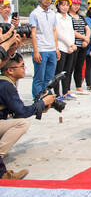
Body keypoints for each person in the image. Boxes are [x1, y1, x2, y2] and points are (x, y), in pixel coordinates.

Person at [0, 52, 55, 180]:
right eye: (22, 66)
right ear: (10, 71)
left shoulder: (6, 82)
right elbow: (21, 112)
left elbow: (17, 110)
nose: (25, 68)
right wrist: (41, 103)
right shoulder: (6, 86)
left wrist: (40, 107)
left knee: (16, 120)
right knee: (22, 123)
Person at [29, 0, 60, 98]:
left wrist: (57, 48)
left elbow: (54, 31)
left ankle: (46, 98)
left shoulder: (52, 14)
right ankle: (37, 98)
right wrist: (36, 51)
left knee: (49, 78)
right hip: (41, 49)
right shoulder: (35, 14)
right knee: (39, 78)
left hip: (51, 49)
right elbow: (33, 33)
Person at [67, 0, 91, 95]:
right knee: (70, 67)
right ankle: (67, 88)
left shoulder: (81, 17)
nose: (76, 6)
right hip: (73, 45)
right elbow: (71, 31)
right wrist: (84, 38)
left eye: (78, 4)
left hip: (83, 45)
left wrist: (87, 39)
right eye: (74, 4)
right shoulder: (67, 17)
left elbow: (87, 28)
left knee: (79, 66)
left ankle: (78, 86)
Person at [54, 0, 77, 100]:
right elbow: (58, 33)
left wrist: (72, 45)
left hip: (69, 48)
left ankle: (65, 91)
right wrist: (70, 44)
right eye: (62, 5)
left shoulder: (69, 18)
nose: (65, 7)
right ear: (58, 6)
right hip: (62, 47)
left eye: (67, 5)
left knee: (67, 71)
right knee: (58, 72)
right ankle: (57, 94)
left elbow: (71, 32)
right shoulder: (56, 17)